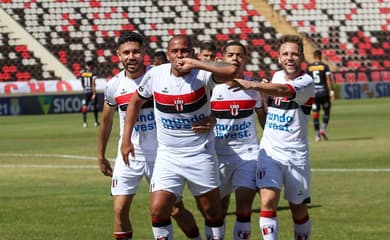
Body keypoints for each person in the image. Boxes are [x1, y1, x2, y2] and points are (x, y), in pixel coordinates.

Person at [120, 34, 239, 240]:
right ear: (168, 55)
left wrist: (196, 63)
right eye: (175, 51)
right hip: (168, 155)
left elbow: (232, 71)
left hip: (200, 154)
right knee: (158, 210)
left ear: (192, 53)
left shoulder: (202, 75)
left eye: (184, 51)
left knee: (212, 212)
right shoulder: (156, 75)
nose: (179, 55)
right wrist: (125, 139)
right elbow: (135, 101)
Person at [98, 32, 201, 240]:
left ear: (144, 52)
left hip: (161, 154)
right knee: (119, 209)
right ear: (118, 55)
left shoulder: (158, 76)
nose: (131, 56)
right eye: (126, 52)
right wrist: (101, 155)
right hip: (129, 154)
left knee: (174, 209)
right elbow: (106, 121)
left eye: (136, 51)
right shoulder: (114, 85)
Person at [228, 34, 315, 240]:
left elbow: (284, 90)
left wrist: (253, 85)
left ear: (302, 57)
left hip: (296, 156)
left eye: (294, 54)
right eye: (285, 54)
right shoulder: (274, 77)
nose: (289, 57)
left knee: (298, 209)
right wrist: (264, 97)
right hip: (270, 153)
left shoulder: (306, 81)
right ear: (279, 58)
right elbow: (270, 113)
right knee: (267, 201)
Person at [210, 41, 267, 240]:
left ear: (245, 60)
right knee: (217, 211)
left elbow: (264, 120)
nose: (235, 58)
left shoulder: (253, 88)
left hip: (248, 155)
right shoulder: (211, 89)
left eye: (239, 55)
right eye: (231, 54)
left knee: (244, 208)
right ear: (222, 59)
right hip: (218, 156)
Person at [306, 49, 335, 142]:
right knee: (327, 112)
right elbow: (328, 80)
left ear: (314, 57)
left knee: (315, 114)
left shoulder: (309, 67)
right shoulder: (324, 66)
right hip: (324, 93)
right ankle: (323, 129)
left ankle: (317, 135)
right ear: (321, 56)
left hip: (314, 94)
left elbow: (306, 81)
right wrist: (332, 92)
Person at [80, 60, 99, 127]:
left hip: (85, 92)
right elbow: (93, 83)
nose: (93, 67)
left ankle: (84, 123)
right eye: (92, 65)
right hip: (91, 91)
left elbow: (82, 83)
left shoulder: (82, 73)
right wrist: (94, 93)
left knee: (84, 106)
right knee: (95, 106)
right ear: (91, 65)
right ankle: (96, 122)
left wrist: (85, 89)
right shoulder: (93, 73)